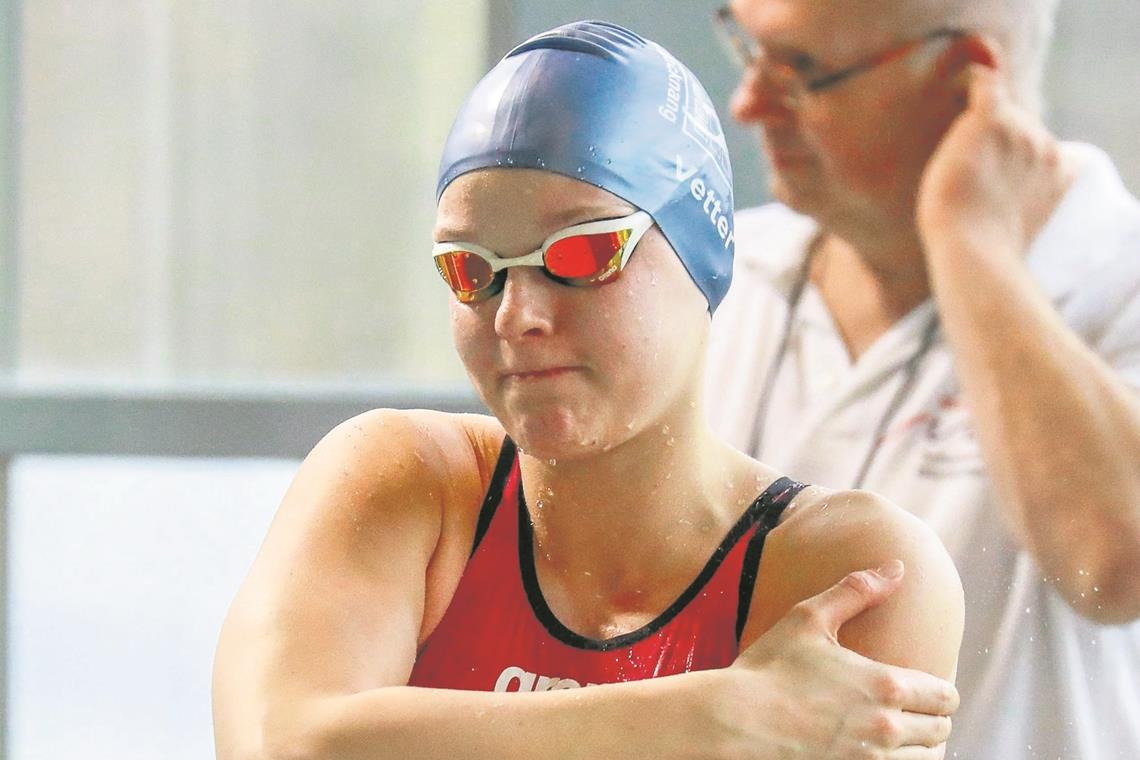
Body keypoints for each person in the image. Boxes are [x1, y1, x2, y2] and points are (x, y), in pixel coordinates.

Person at [212, 20, 963, 760]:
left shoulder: (850, 571)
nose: (516, 314)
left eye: (582, 253)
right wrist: (706, 721)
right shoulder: (406, 484)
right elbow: (285, 743)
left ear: (703, 257)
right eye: (472, 269)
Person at [705, 1, 1140, 757]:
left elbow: (1116, 564)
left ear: (963, 77)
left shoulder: (1118, 281)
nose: (748, 104)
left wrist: (970, 244)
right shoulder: (719, 272)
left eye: (802, 72)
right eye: (751, 52)